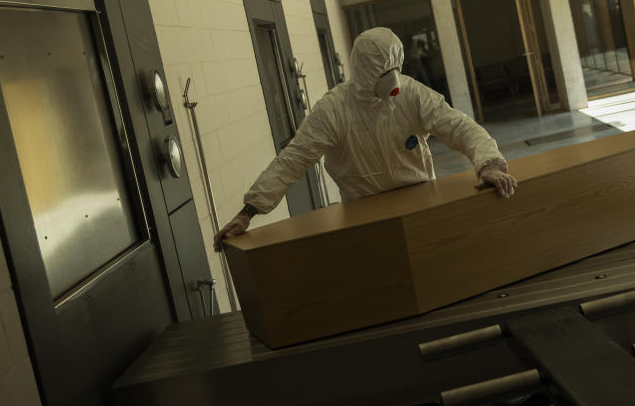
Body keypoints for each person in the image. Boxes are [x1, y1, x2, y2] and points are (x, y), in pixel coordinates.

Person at [214, 27, 517, 250]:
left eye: (395, 69)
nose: (393, 78)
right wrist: (249, 211)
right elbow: (293, 160)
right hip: (365, 215)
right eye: (384, 71)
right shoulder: (334, 110)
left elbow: (459, 127)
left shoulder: (411, 94)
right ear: (364, 70)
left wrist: (488, 164)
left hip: (422, 200)